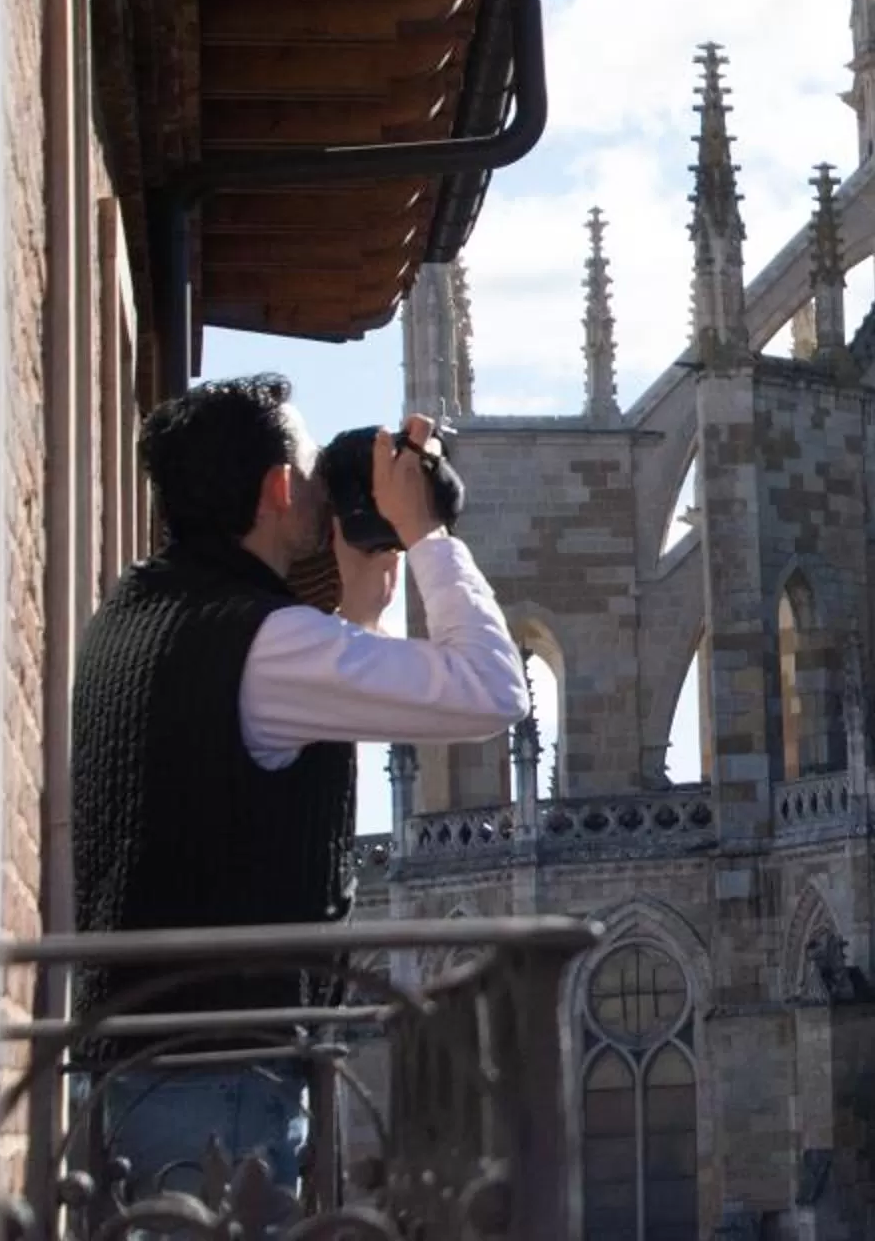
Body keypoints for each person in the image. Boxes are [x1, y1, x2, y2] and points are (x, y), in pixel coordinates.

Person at [69, 373, 532, 1199]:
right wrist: (425, 534)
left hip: (129, 1065)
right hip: (220, 1078)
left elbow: (247, 754)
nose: (327, 494)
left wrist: (360, 613)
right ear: (279, 488)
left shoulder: (130, 615)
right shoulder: (267, 642)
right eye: (316, 475)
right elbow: (494, 691)